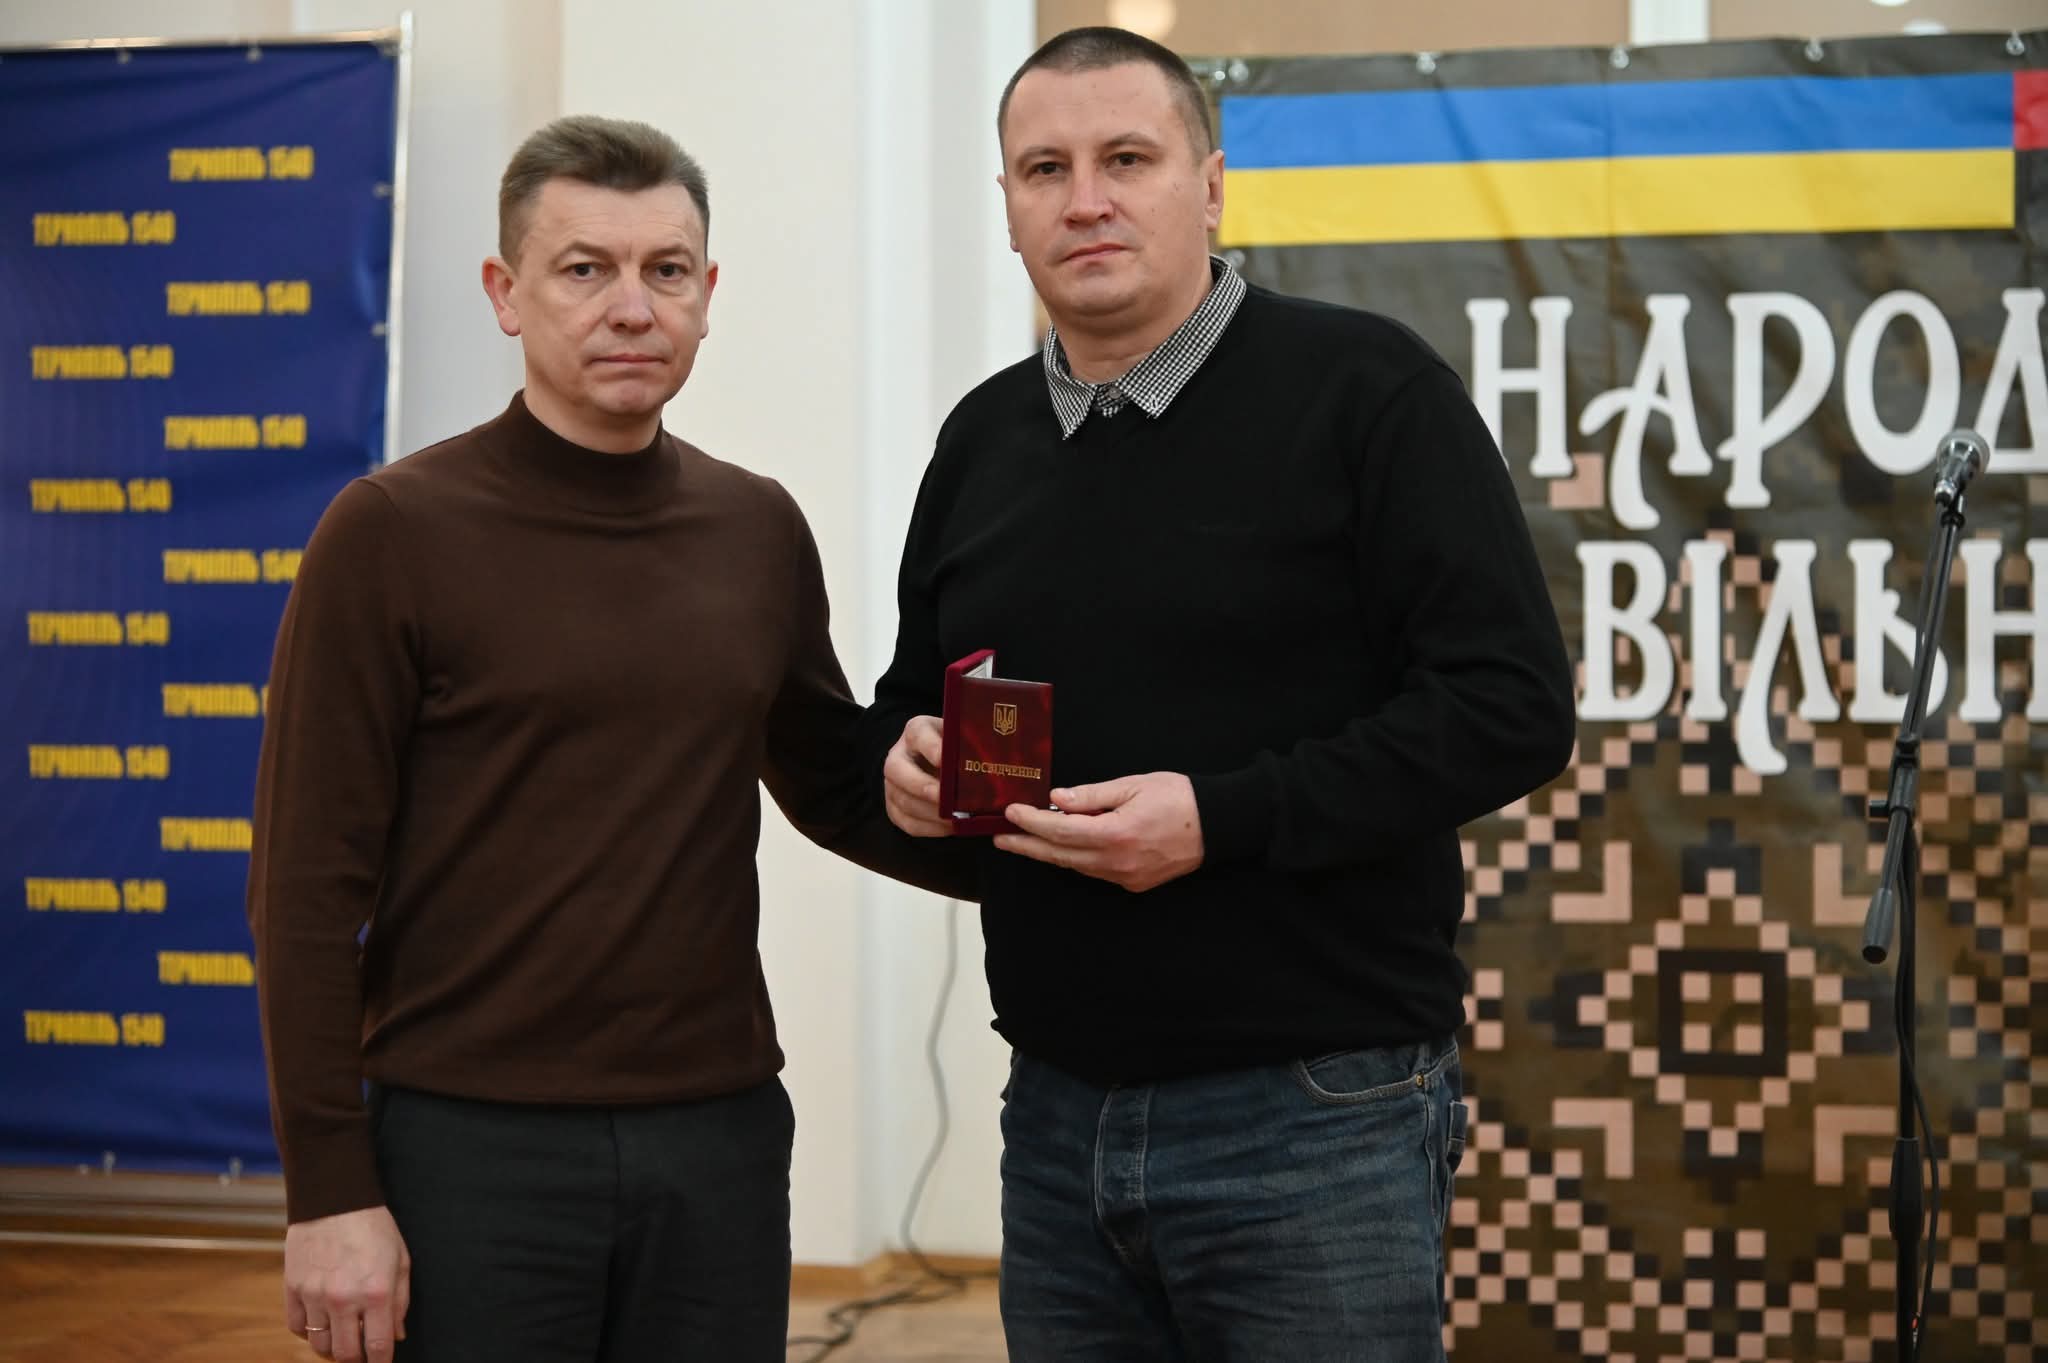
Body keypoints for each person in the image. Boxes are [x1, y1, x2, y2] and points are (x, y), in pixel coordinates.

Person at [873, 27, 1577, 1363]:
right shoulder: (981, 439)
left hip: (1315, 1113)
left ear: (1208, 186)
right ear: (1008, 206)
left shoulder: (1369, 394)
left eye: (1126, 159)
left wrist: (1221, 818)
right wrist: (903, 763)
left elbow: (1510, 703)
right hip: (1055, 1116)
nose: (1085, 199)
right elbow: (914, 696)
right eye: (1045, 169)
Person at [247, 115, 969, 1363]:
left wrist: (1026, 837)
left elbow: (836, 786)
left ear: (706, 294)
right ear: (505, 293)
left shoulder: (755, 527)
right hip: (471, 1140)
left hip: (718, 1133)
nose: (631, 306)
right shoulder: (390, 531)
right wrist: (327, 1190)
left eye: (665, 270)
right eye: (584, 269)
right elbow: (304, 890)